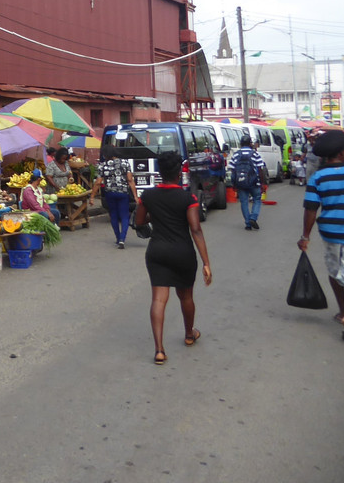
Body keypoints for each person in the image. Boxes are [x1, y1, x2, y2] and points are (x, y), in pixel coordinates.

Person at [134, 151, 212, 365]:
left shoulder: (148, 196)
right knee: (186, 297)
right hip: (183, 253)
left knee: (159, 299)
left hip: (157, 251)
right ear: (179, 173)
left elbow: (140, 221)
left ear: (160, 172)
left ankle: (159, 350)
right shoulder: (189, 198)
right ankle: (189, 334)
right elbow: (195, 229)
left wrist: (156, 214)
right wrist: (206, 262)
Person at [298, 129, 344, 343]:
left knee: (334, 271)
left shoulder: (318, 177)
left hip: (331, 234)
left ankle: (342, 310)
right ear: (343, 153)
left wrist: (305, 236)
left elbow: (311, 209)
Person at [91, 145, 138, 249]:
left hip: (110, 193)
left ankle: (117, 238)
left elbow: (98, 182)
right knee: (124, 216)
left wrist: (92, 197)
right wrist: (135, 196)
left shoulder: (102, 165)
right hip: (123, 193)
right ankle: (122, 239)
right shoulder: (125, 163)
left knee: (114, 216)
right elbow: (130, 180)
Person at [227, 134, 268, 230]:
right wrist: (262, 183)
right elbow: (260, 169)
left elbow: (232, 170)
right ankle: (253, 217)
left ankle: (248, 224)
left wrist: (233, 183)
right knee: (257, 199)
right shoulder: (255, 154)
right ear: (250, 143)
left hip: (240, 183)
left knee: (244, 202)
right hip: (254, 183)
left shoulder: (236, 154)